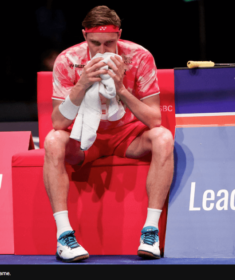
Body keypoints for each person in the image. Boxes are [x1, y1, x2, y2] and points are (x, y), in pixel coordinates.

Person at [43, 5, 174, 262]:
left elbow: (154, 119)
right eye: (95, 43)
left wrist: (121, 89)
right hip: (84, 139)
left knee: (163, 137)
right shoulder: (67, 60)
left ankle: (150, 231)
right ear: (84, 36)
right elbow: (58, 122)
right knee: (52, 140)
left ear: (119, 35)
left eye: (109, 43)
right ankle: (64, 236)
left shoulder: (140, 56)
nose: (102, 50)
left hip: (127, 136)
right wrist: (83, 83)